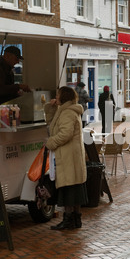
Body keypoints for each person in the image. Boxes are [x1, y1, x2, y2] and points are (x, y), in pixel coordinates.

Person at [44, 86, 88, 230]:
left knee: (69, 188)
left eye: (58, 95)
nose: (56, 97)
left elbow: (65, 134)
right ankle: (76, 219)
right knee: (74, 187)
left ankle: (69, 220)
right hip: (71, 155)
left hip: (68, 155)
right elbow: (52, 126)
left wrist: (51, 143)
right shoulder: (65, 110)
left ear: (63, 97)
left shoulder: (67, 113)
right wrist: (51, 108)